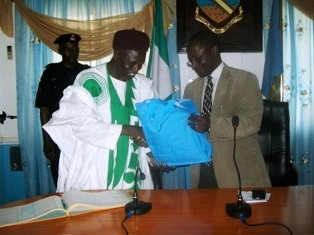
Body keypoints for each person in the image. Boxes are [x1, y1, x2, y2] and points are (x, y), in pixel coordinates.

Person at [43, 29, 158, 192]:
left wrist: (150, 145)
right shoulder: (90, 80)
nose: (135, 69)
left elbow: (154, 124)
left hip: (132, 170)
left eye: (140, 64)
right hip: (96, 171)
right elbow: (83, 126)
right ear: (117, 54)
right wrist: (131, 130)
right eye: (131, 63)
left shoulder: (143, 85)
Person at [183, 30, 271, 188]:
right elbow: (187, 130)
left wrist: (211, 124)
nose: (194, 65)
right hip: (202, 175)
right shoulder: (190, 89)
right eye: (191, 61)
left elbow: (252, 122)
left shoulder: (245, 80)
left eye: (198, 58)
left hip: (238, 175)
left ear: (214, 50)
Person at [35, 33, 90, 187]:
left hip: (82, 135)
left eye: (75, 49)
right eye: (68, 49)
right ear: (60, 51)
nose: (72, 52)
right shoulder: (50, 73)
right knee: (61, 180)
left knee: (84, 179)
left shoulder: (87, 73)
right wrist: (47, 141)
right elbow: (44, 108)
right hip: (58, 136)